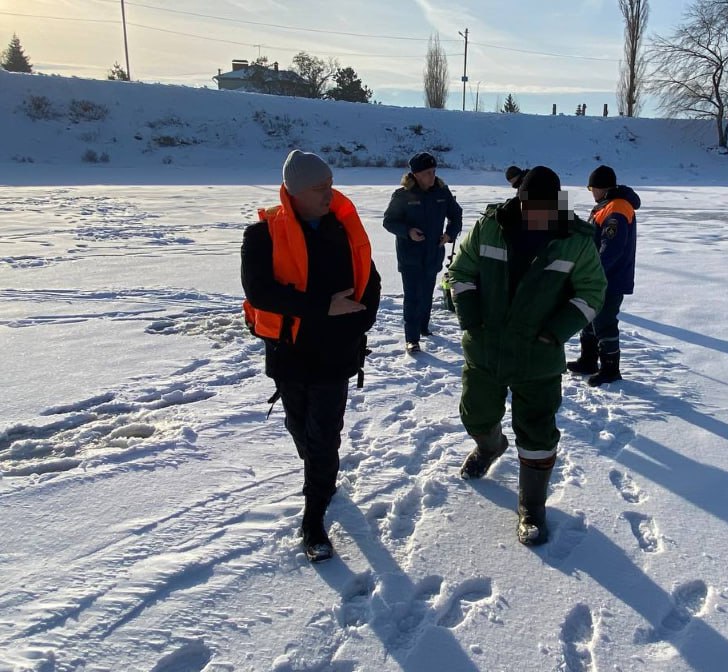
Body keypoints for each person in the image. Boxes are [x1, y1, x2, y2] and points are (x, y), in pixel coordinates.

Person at [449, 166, 607, 545]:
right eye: (527, 205)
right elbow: (460, 271)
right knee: (475, 415)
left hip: (538, 356)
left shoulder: (574, 240)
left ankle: (532, 507)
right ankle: (490, 446)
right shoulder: (490, 226)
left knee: (537, 433)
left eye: (543, 208)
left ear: (556, 205)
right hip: (485, 348)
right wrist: (470, 318)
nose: (534, 214)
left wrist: (555, 332)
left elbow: (592, 292)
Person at [241, 149, 381, 562]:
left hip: (336, 352)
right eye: (320, 188)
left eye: (330, 185)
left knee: (324, 436)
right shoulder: (261, 236)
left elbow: (371, 279)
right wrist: (323, 307)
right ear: (295, 192)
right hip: (289, 353)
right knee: (299, 425)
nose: (329, 194)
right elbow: (260, 293)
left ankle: (314, 519)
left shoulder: (342, 228)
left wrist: (359, 322)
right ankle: (321, 472)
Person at [567, 165, 640, 386]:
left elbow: (611, 248)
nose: (591, 193)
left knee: (604, 321)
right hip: (598, 276)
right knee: (589, 316)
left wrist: (593, 271)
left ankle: (610, 369)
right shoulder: (606, 206)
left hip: (610, 278)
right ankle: (588, 360)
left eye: (592, 188)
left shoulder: (617, 208)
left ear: (601, 187)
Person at [382, 152, 463, 354]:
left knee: (427, 294)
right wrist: (408, 232)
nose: (432, 176)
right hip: (410, 255)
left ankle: (423, 327)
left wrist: (449, 234)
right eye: (427, 173)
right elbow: (389, 221)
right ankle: (412, 339)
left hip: (433, 254)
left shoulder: (442, 193)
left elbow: (456, 215)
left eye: (434, 171)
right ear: (416, 174)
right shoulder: (403, 195)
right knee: (412, 296)